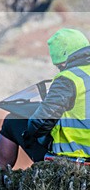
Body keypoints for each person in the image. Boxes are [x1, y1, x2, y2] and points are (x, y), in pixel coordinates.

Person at [23, 28, 90, 163]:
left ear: (64, 61)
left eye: (59, 66)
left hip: (77, 154)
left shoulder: (68, 78)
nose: (60, 70)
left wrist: (28, 133)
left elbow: (41, 122)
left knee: (11, 123)